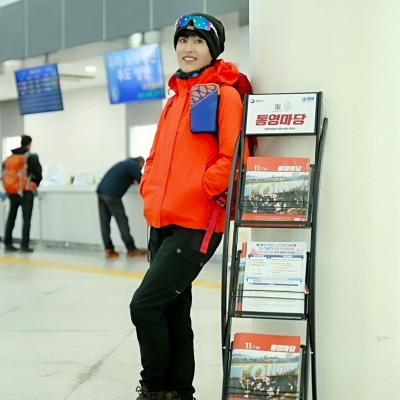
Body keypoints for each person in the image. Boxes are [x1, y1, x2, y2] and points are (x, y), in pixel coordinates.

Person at [129, 13, 244, 400]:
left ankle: (153, 386)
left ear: (213, 50)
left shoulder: (223, 95)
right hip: (161, 220)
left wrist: (200, 189)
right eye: (182, 40)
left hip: (197, 222)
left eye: (198, 41)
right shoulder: (175, 99)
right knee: (173, 309)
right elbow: (154, 155)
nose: (188, 48)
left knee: (145, 306)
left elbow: (232, 157)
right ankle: (178, 391)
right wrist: (148, 187)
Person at [97, 157, 147, 258]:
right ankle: (131, 249)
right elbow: (141, 179)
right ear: (141, 163)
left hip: (101, 191)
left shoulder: (125, 163)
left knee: (105, 222)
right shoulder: (134, 165)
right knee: (122, 220)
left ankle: (109, 249)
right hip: (111, 194)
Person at [3, 135, 42, 252]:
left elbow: (3, 173)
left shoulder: (10, 158)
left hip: (12, 191)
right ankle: (24, 245)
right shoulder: (31, 157)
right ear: (29, 144)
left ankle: (8, 243)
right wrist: (34, 184)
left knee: (11, 217)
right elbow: (38, 174)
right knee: (26, 219)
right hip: (26, 192)